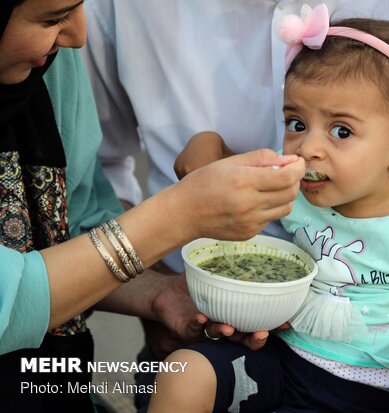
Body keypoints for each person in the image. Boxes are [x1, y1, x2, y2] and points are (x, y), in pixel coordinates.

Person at [83, 1, 389, 411]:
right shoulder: (298, 194)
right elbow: (213, 164)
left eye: (341, 131)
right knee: (183, 376)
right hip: (289, 365)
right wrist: (203, 148)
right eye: (296, 122)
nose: (309, 148)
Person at [0, 1, 304, 411]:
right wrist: (179, 215)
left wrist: (160, 294)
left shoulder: (50, 65)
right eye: (51, 19)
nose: (79, 37)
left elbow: (75, 220)